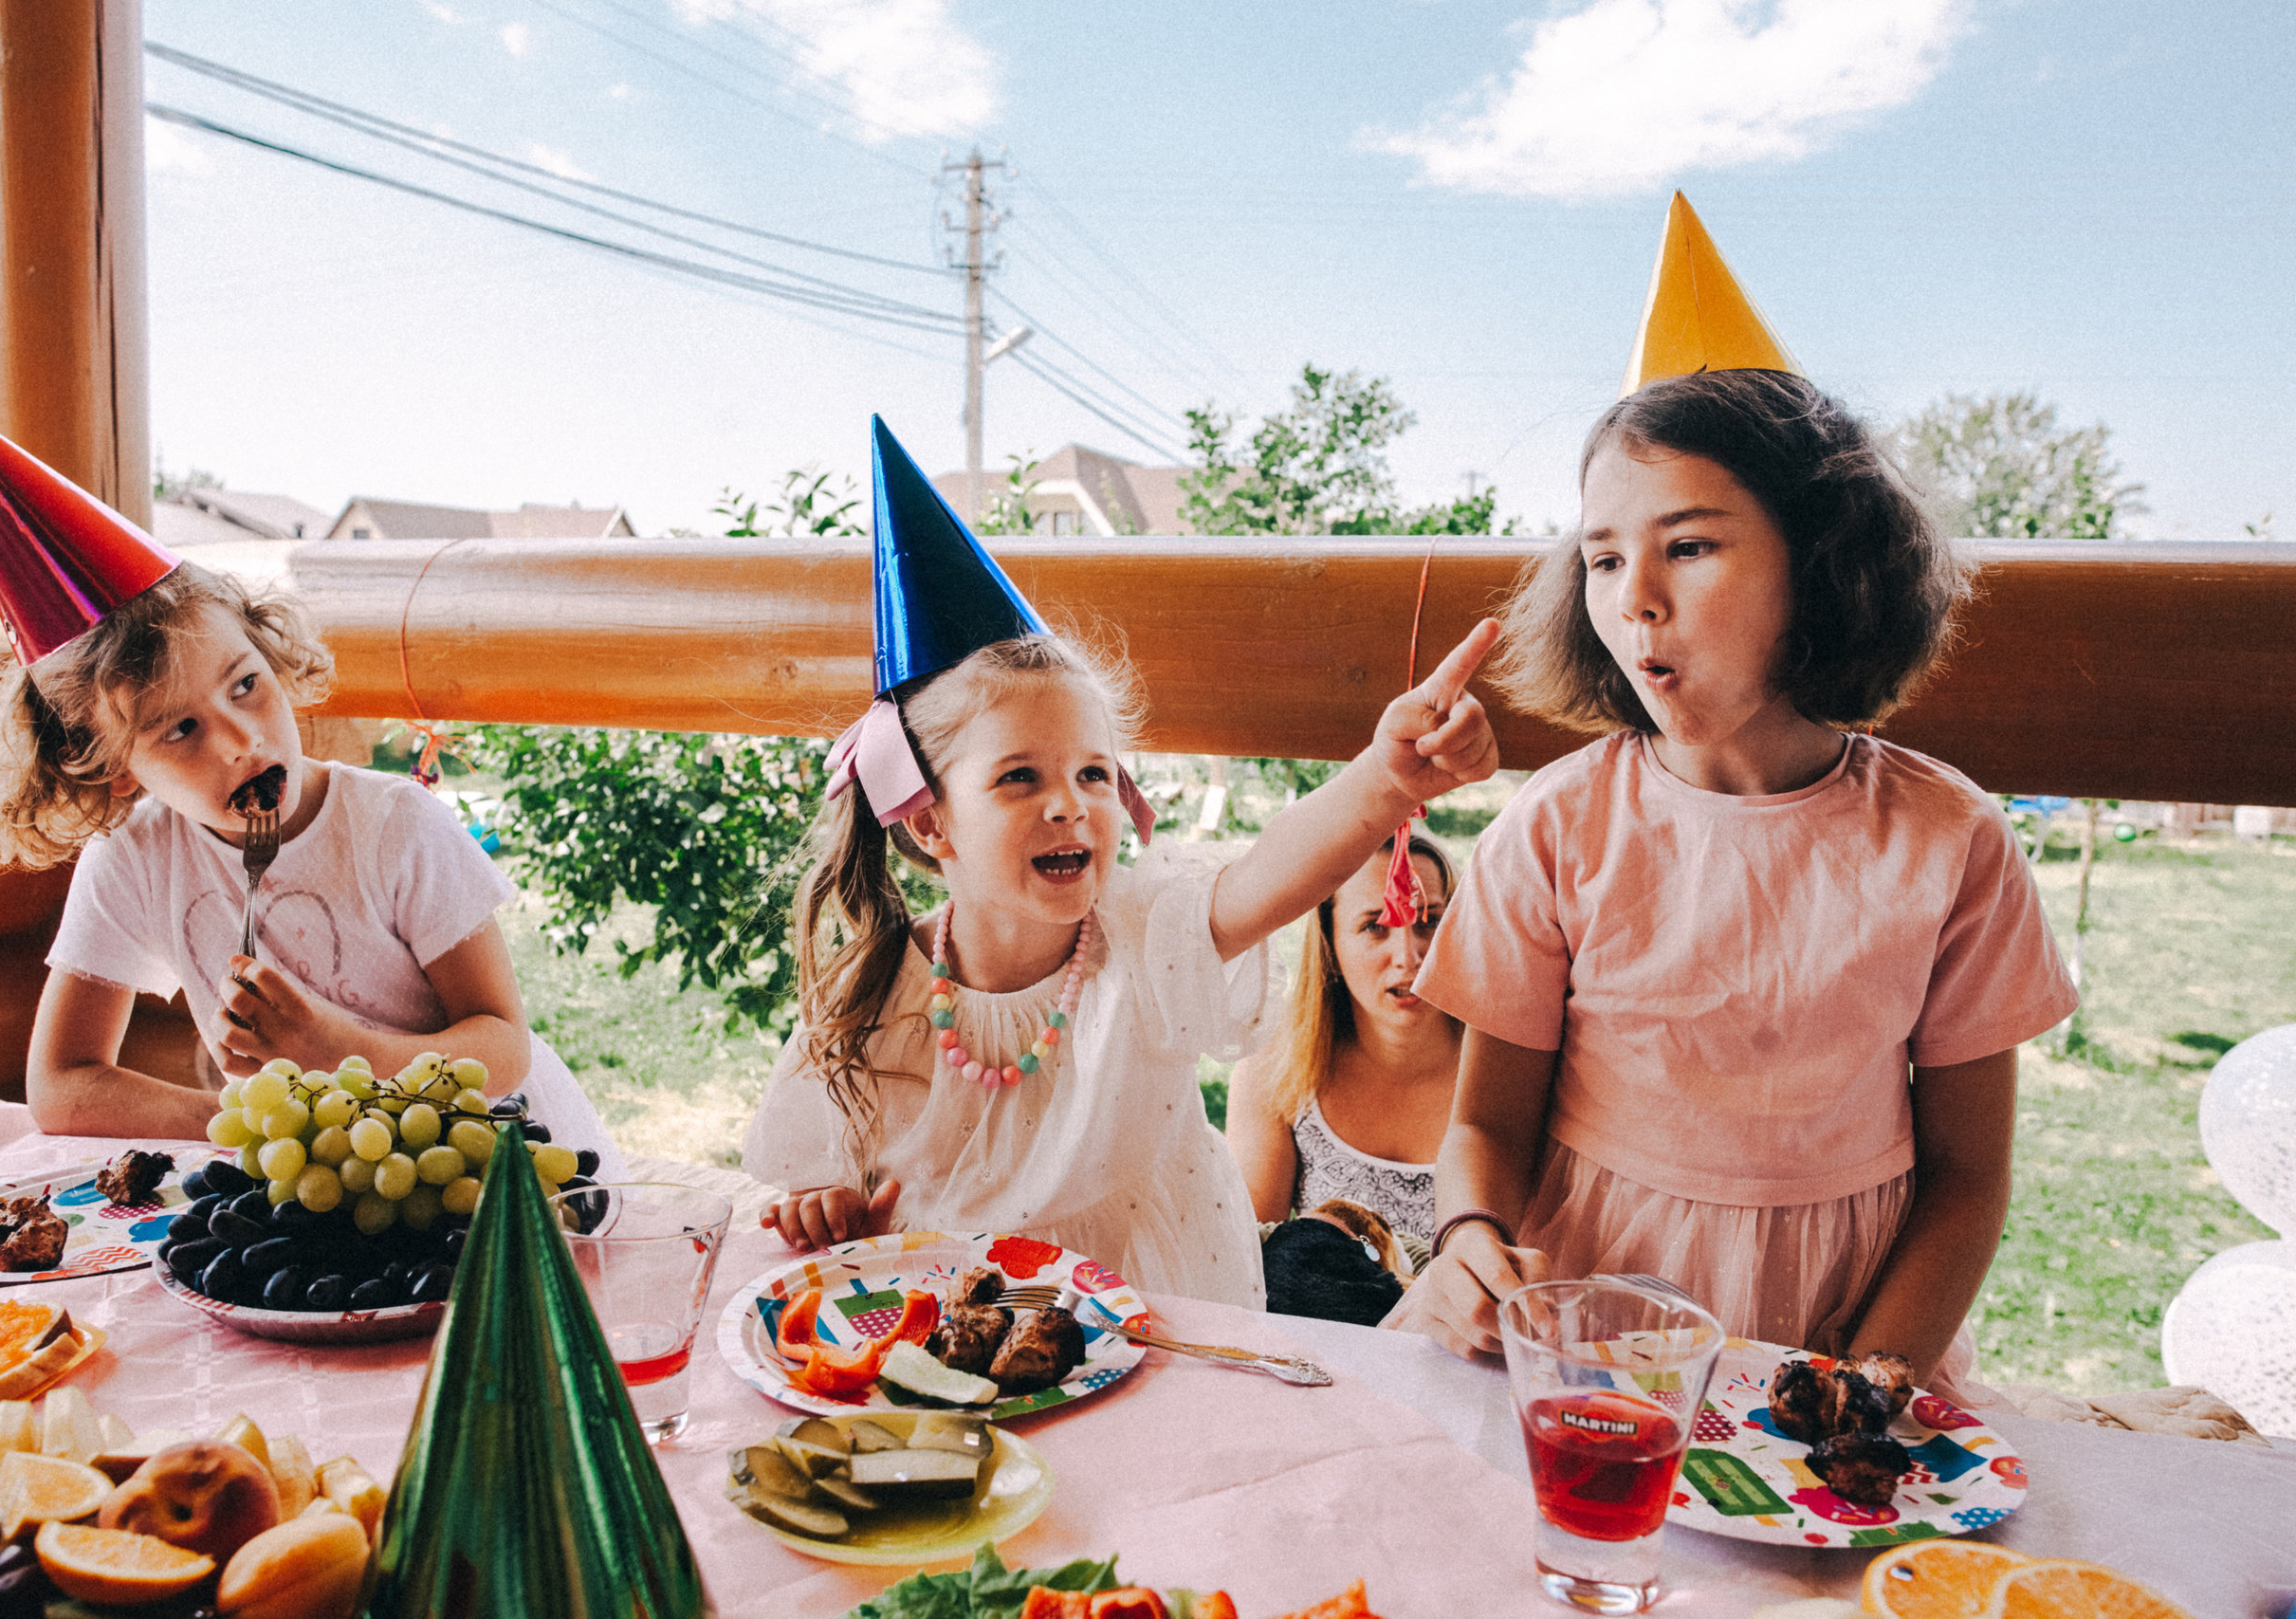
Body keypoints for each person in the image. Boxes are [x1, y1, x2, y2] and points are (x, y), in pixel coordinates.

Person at [1388, 199, 2076, 1392]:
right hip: (1577, 1331)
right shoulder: (1555, 827)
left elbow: (1968, 1175)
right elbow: (1485, 1128)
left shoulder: (1948, 841)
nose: (1633, 600)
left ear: (1825, 567)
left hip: (1840, 1335)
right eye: (1603, 557)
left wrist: (1868, 1379)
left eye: (1690, 547)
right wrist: (1465, 1240)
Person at [743, 417, 1501, 1308]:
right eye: (1020, 777)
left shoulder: (1143, 937)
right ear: (930, 821)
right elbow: (816, 1179)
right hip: (953, 1311)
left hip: (1152, 1303)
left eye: (1094, 774)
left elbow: (1262, 878)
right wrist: (822, 1205)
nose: (1070, 803)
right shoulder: (874, 991)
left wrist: (1382, 779)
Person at [0, 376, 619, 1170]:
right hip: (335, 1186)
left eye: (246, 684)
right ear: (114, 768)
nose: (242, 739)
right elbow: (63, 1083)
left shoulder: (396, 827)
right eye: (180, 728)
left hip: (503, 1169)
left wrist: (335, 1050)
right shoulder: (137, 856)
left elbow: (503, 1045)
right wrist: (233, 1114)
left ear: (271, 652)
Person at [1226, 831, 1460, 1247]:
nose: (1409, 956)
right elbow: (1249, 1258)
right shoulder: (1275, 1068)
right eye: (1375, 926)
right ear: (1330, 945)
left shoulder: (1506, 1059)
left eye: (1429, 922)